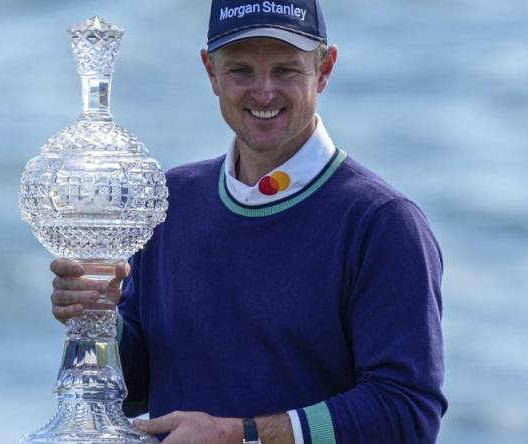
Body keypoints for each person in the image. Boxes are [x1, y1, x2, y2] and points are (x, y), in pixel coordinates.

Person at [50, 1, 446, 442]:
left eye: (285, 71)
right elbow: (136, 390)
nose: (263, 92)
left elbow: (408, 414)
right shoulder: (171, 199)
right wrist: (99, 321)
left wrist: (239, 435)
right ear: (210, 72)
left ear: (325, 68)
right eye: (241, 70)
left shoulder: (382, 223)